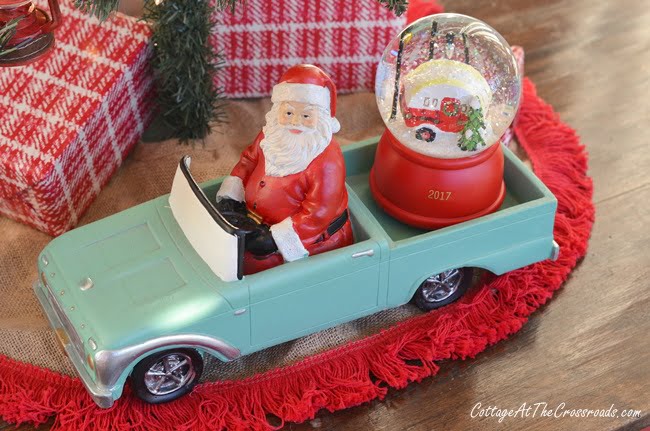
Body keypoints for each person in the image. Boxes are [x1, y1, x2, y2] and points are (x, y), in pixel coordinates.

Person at [216, 64, 353, 274]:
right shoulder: (270, 136)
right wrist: (232, 196)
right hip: (253, 222)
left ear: (322, 118)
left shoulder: (327, 160)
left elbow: (318, 213)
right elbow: (247, 162)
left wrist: (275, 239)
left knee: (251, 266)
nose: (295, 121)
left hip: (309, 238)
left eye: (306, 116)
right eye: (288, 112)